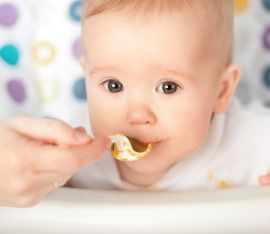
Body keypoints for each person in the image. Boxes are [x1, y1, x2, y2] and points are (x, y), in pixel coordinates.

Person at [0, 0, 270, 207]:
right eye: (113, 85)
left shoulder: (253, 143)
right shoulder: (68, 155)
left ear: (221, 91)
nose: (138, 114)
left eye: (168, 87)